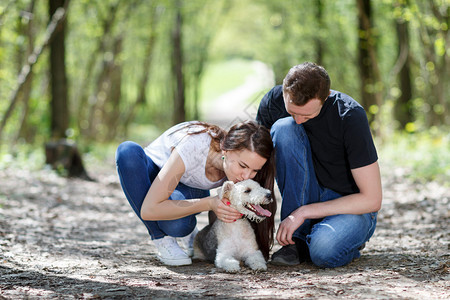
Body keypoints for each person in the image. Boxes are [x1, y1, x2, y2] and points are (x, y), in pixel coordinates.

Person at [256, 62, 382, 268]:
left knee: (323, 251)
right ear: (285, 91)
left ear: (326, 97)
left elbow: (372, 199)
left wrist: (303, 212)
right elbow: (256, 167)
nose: (298, 121)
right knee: (284, 128)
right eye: (292, 111)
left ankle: (337, 240)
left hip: (348, 205)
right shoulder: (273, 102)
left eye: (306, 116)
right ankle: (296, 240)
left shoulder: (350, 115)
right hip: (305, 192)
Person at [115, 120, 276, 266]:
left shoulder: (235, 174)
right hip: (152, 172)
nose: (246, 176)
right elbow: (148, 210)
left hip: (183, 187)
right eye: (242, 166)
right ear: (226, 150)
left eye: (254, 170)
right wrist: (209, 203)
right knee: (127, 151)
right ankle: (161, 239)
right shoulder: (194, 146)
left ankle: (189, 234)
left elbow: (221, 213)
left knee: (179, 225)